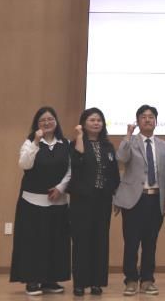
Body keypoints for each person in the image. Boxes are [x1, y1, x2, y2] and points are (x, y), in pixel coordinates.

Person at [10, 106, 72, 295]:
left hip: (58, 201)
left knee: (55, 242)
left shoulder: (66, 143)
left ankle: (50, 280)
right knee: (33, 243)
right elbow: (24, 164)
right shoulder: (30, 142)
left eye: (50, 119)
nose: (47, 122)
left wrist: (61, 188)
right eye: (42, 120)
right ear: (37, 124)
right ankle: (32, 280)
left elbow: (71, 170)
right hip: (32, 203)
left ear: (56, 122)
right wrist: (36, 141)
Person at [114, 105, 165, 296]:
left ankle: (147, 280)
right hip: (134, 200)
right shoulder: (131, 142)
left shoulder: (164, 146)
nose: (147, 120)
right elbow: (121, 158)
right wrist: (127, 135)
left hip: (155, 199)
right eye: (143, 117)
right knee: (131, 242)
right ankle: (131, 280)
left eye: (151, 117)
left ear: (156, 121)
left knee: (150, 242)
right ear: (138, 121)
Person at [67, 107, 120, 296]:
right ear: (83, 123)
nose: (96, 123)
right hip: (81, 200)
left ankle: (97, 282)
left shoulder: (107, 146)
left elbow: (114, 173)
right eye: (92, 120)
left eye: (99, 120)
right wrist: (80, 137)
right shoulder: (75, 143)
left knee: (100, 240)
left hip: (103, 200)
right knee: (81, 241)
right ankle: (80, 283)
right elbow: (76, 163)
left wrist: (113, 192)